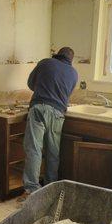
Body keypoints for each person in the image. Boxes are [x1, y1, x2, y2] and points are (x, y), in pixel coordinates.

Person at [22, 47, 78, 195]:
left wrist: (43, 87)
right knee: (53, 152)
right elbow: (67, 95)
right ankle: (50, 190)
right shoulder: (73, 73)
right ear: (71, 60)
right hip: (57, 113)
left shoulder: (45, 63)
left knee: (34, 149)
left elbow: (30, 84)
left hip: (39, 108)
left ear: (58, 55)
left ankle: (31, 189)